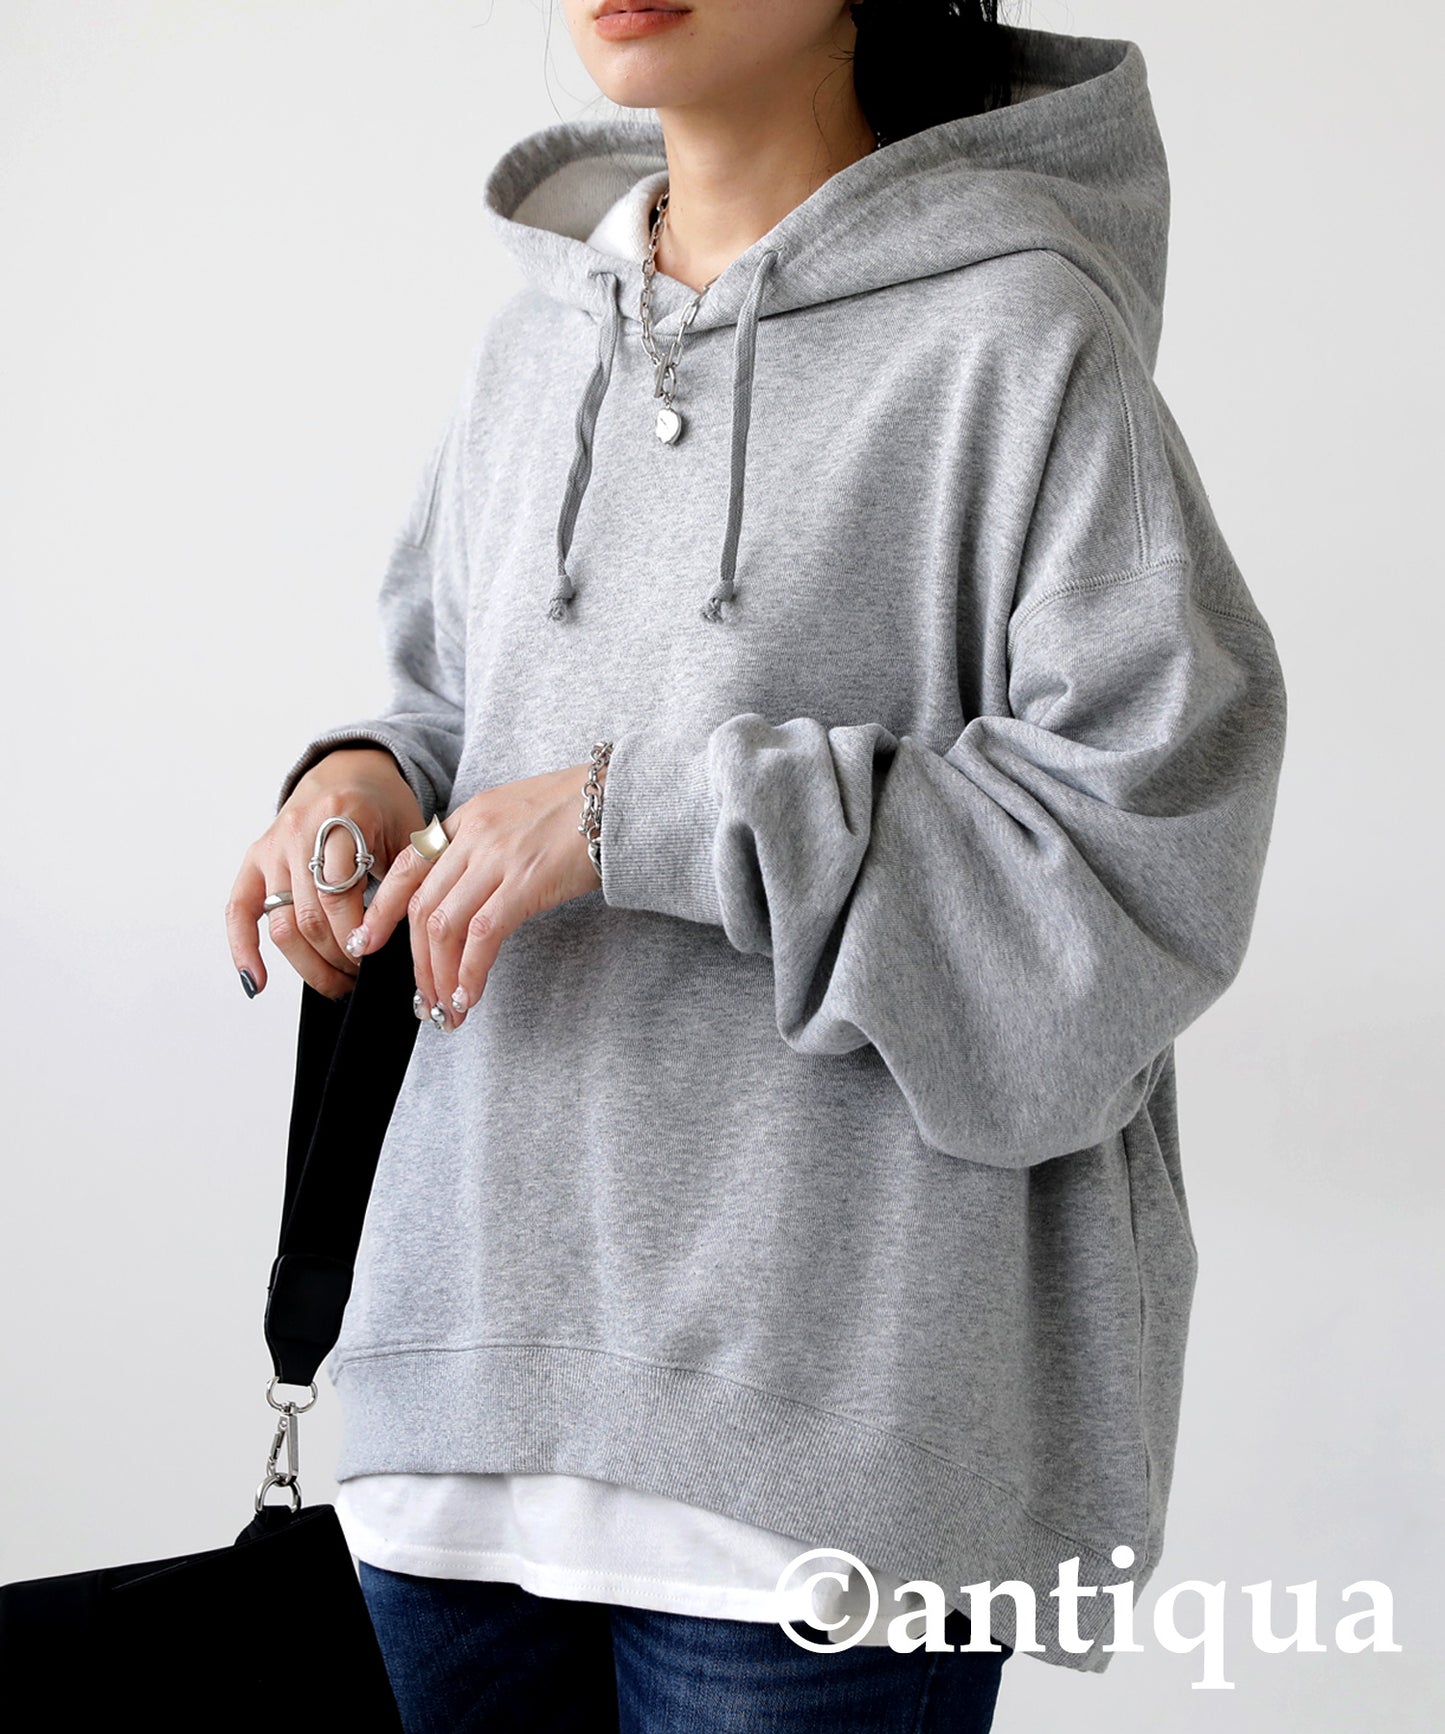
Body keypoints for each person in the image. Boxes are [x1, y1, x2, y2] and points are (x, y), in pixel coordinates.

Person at [224, 2, 1289, 1728]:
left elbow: (1139, 853)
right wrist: (361, 783)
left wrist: (639, 816)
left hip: (818, 1464)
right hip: (457, 1417)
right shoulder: (535, 343)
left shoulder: (1018, 339)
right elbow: (455, 714)